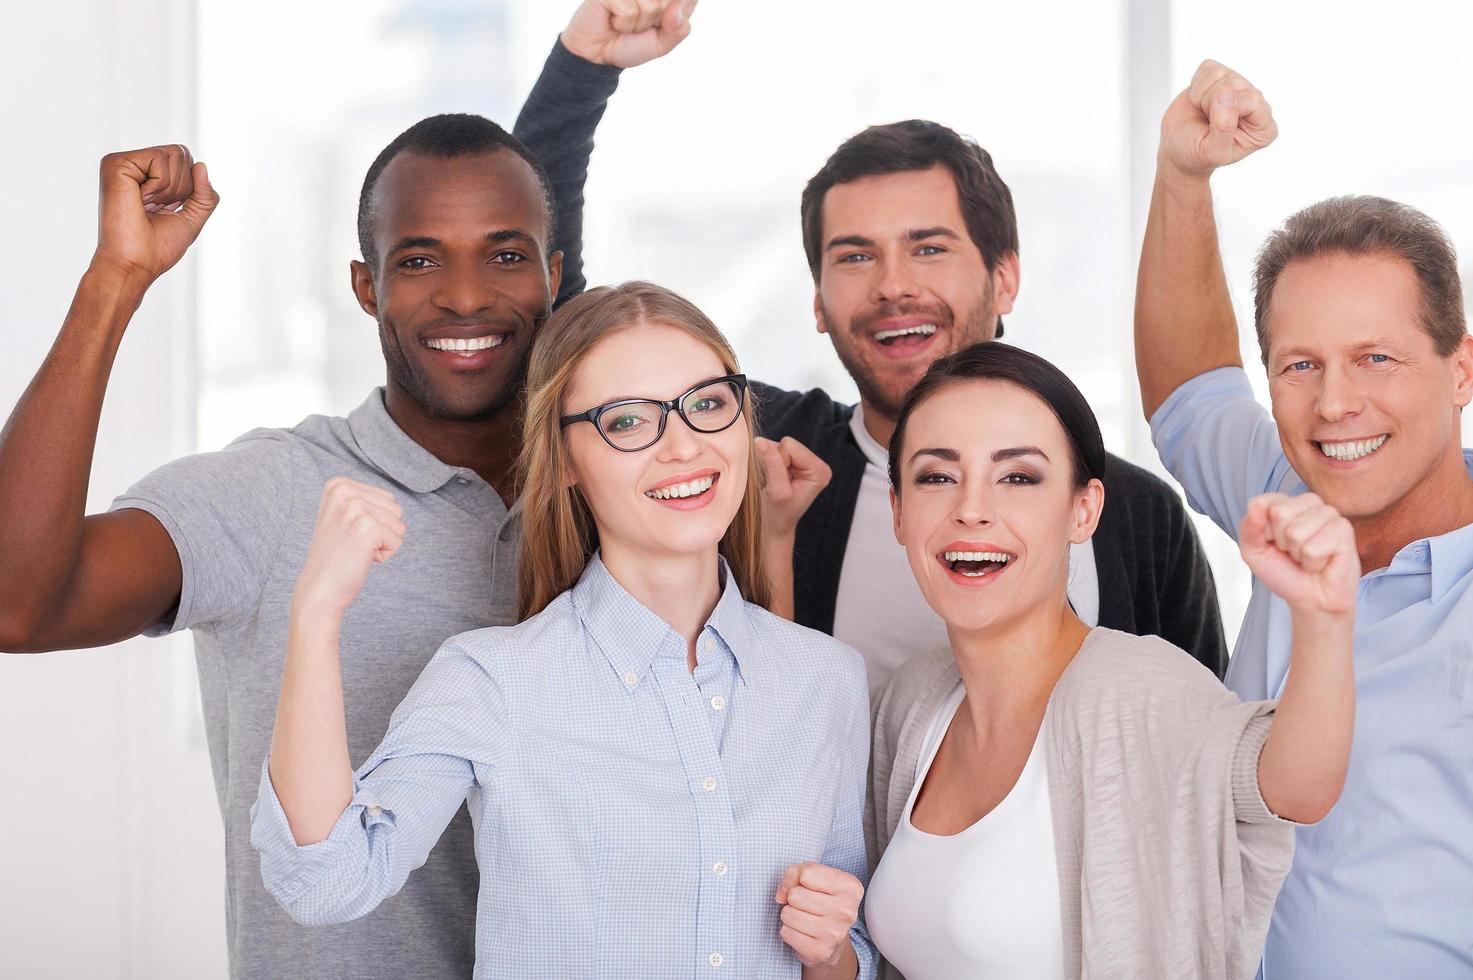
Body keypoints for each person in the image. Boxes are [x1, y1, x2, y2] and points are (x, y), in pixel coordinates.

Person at [0, 5, 694, 975]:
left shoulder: (619, 499)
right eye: (418, 260)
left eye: (503, 254)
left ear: (555, 274)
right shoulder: (274, 494)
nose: (462, 296)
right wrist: (115, 280)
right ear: (365, 286)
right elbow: (19, 602)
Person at [510, 37, 1228, 692]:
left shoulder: (1133, 515)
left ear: (1004, 277)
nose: (891, 285)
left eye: (928, 247)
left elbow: (1199, 769)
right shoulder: (757, 453)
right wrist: (584, 65)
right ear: (818, 302)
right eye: (854, 256)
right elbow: (567, 331)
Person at [251, 281, 877, 979]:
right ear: (567, 460)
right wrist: (314, 613)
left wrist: (832, 955)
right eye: (628, 421)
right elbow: (328, 882)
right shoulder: (491, 681)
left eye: (706, 404)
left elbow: (849, 953)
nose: (682, 447)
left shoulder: (828, 679)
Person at [865, 341, 1357, 979]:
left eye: (1018, 476)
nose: (972, 509)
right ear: (898, 510)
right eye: (936, 476)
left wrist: (1324, 619)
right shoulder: (913, 703)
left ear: (1083, 510)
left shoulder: (1137, 687)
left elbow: (1292, 789)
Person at [1136, 60, 1473, 978]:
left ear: (1460, 370)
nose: (1334, 405)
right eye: (1298, 365)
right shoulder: (1287, 489)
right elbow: (1186, 392)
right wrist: (1181, 176)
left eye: (1374, 358)